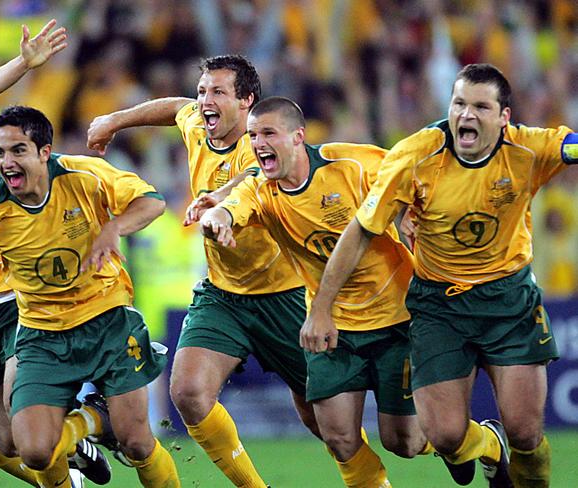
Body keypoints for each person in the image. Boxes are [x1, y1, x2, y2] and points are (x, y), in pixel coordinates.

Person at [309, 63, 575, 488]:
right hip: (439, 306)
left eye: (481, 107)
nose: (466, 116)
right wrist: (322, 306)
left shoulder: (528, 149)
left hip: (508, 299)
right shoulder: (415, 155)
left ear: (504, 118)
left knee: (526, 432)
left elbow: (572, 146)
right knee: (445, 436)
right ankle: (487, 443)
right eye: (459, 104)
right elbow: (361, 228)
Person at [88, 55, 319, 487]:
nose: (205, 102)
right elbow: (175, 108)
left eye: (218, 93)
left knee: (326, 421)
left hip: (284, 294)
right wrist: (115, 120)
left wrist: (221, 201)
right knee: (188, 394)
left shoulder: (265, 143)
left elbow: (252, 178)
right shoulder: (196, 121)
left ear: (248, 101)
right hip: (223, 293)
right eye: (202, 91)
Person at [198, 96, 443, 488]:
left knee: (406, 441)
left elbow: (415, 173)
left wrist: (413, 208)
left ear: (298, 137)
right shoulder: (260, 191)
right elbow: (227, 208)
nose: (258, 143)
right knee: (340, 438)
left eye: (267, 133)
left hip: (396, 317)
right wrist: (215, 221)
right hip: (331, 323)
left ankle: (477, 441)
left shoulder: (349, 163)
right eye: (252, 135)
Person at [0, 105, 180, 488]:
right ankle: (90, 424)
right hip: (42, 335)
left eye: (18, 151)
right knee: (29, 449)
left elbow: (152, 201)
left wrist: (114, 227)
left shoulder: (85, 175)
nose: (7, 162)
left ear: (44, 152)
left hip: (106, 319)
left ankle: (91, 420)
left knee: (137, 443)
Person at [0, 29, 109, 487]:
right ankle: (74, 440)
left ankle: (80, 428)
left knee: (23, 415)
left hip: (13, 296)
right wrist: (23, 65)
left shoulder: (5, 146)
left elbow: (52, 210)